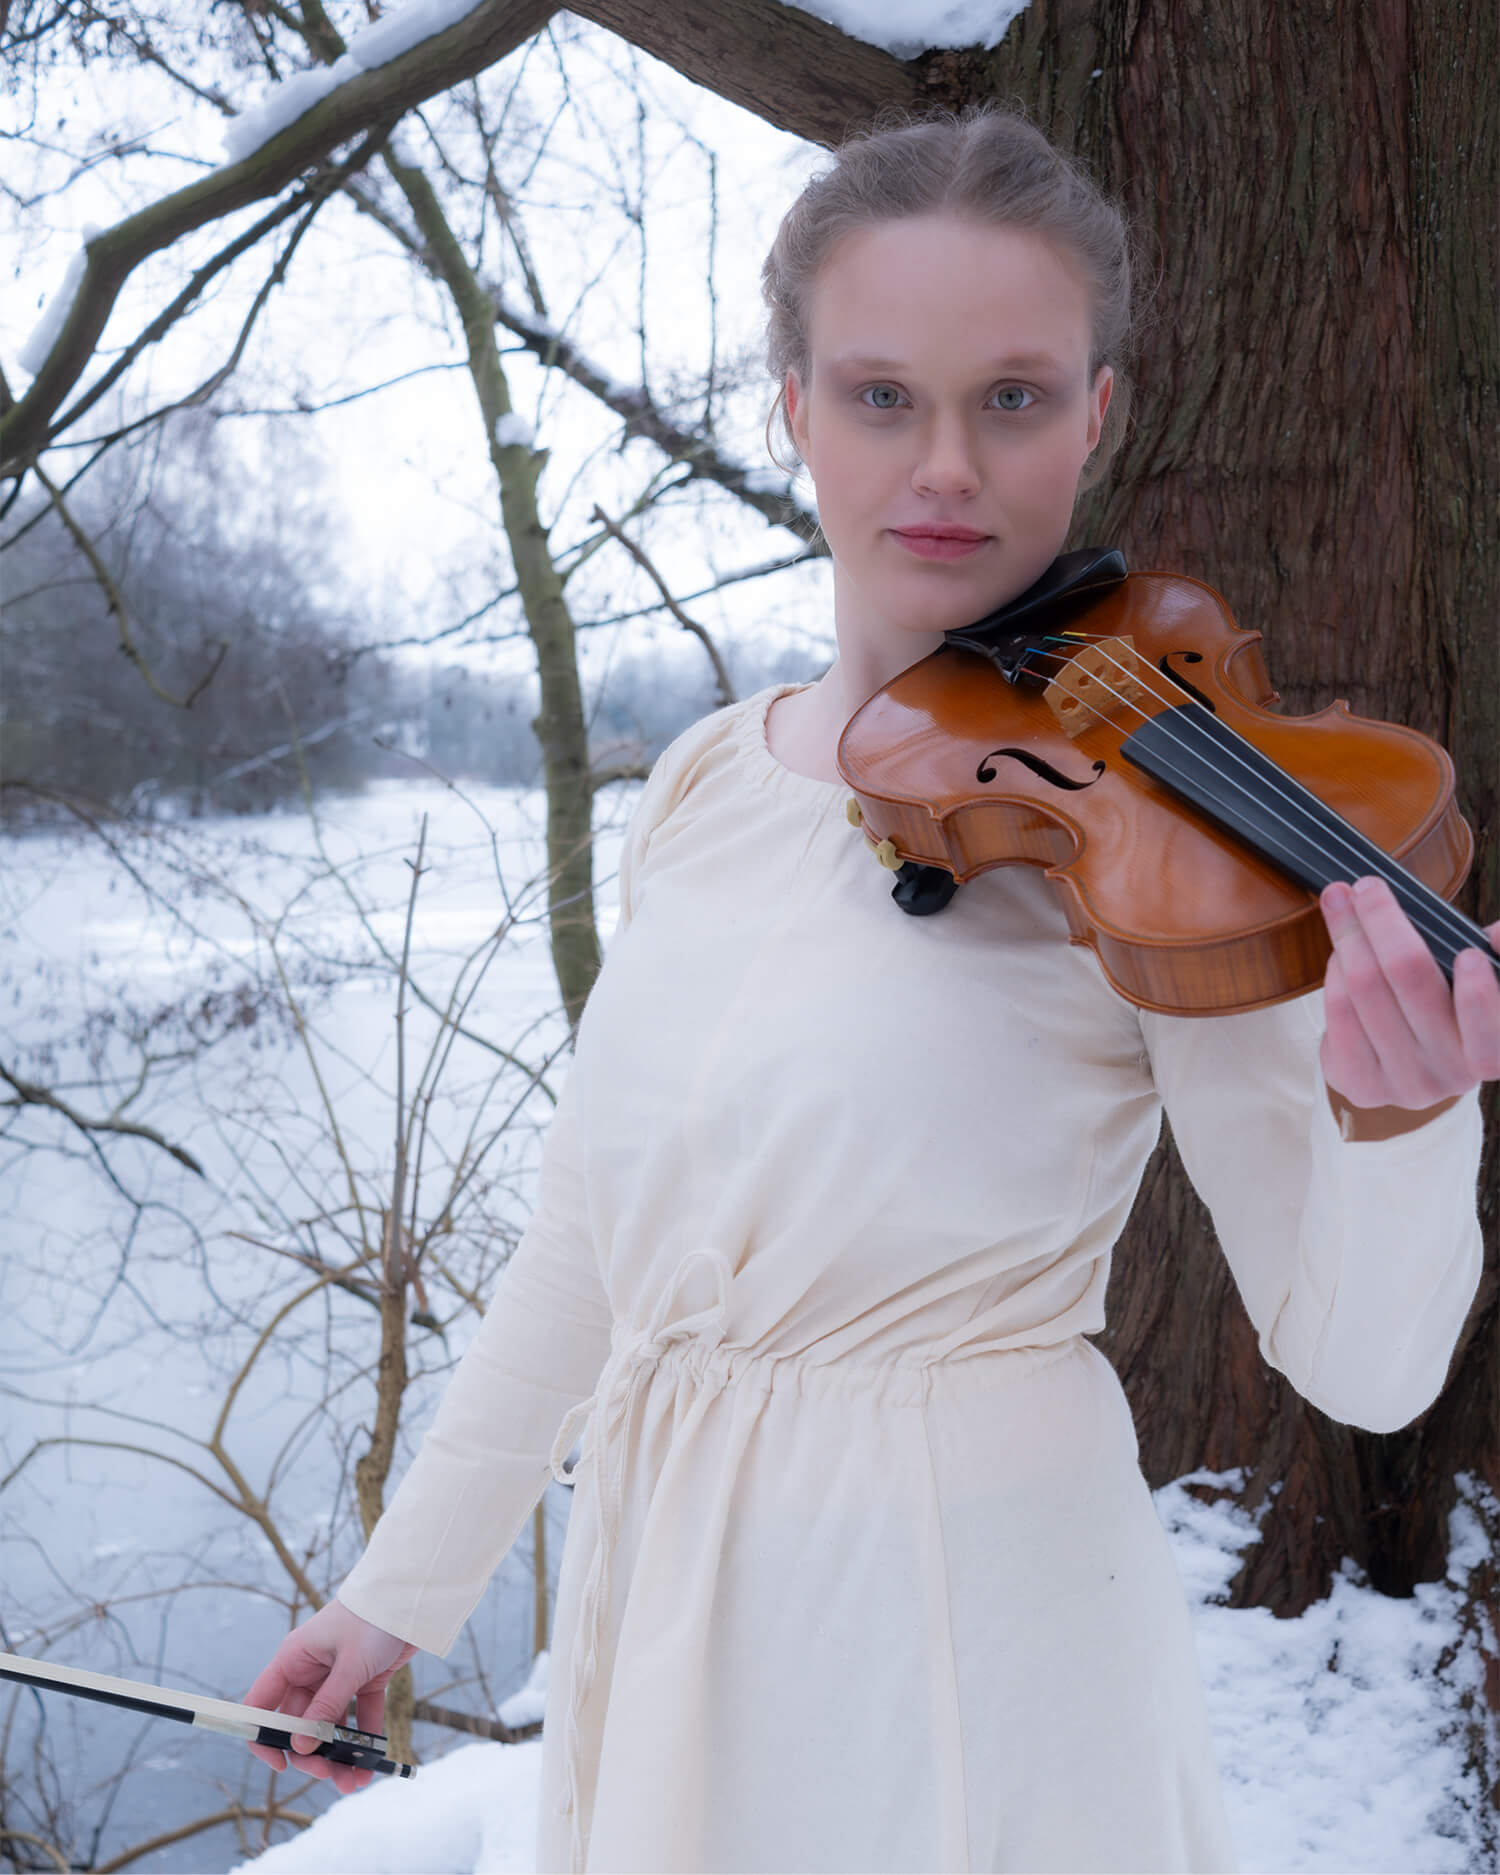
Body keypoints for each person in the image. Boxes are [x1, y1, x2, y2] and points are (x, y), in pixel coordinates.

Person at [244, 108, 1496, 1873]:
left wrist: (1406, 1110)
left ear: (1100, 415)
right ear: (796, 405)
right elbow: (595, 1242)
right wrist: (399, 1598)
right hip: (674, 1591)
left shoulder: (1155, 844)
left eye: (1016, 397)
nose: (948, 470)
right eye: (882, 394)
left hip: (967, 1624)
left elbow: (1364, 1367)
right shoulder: (704, 781)